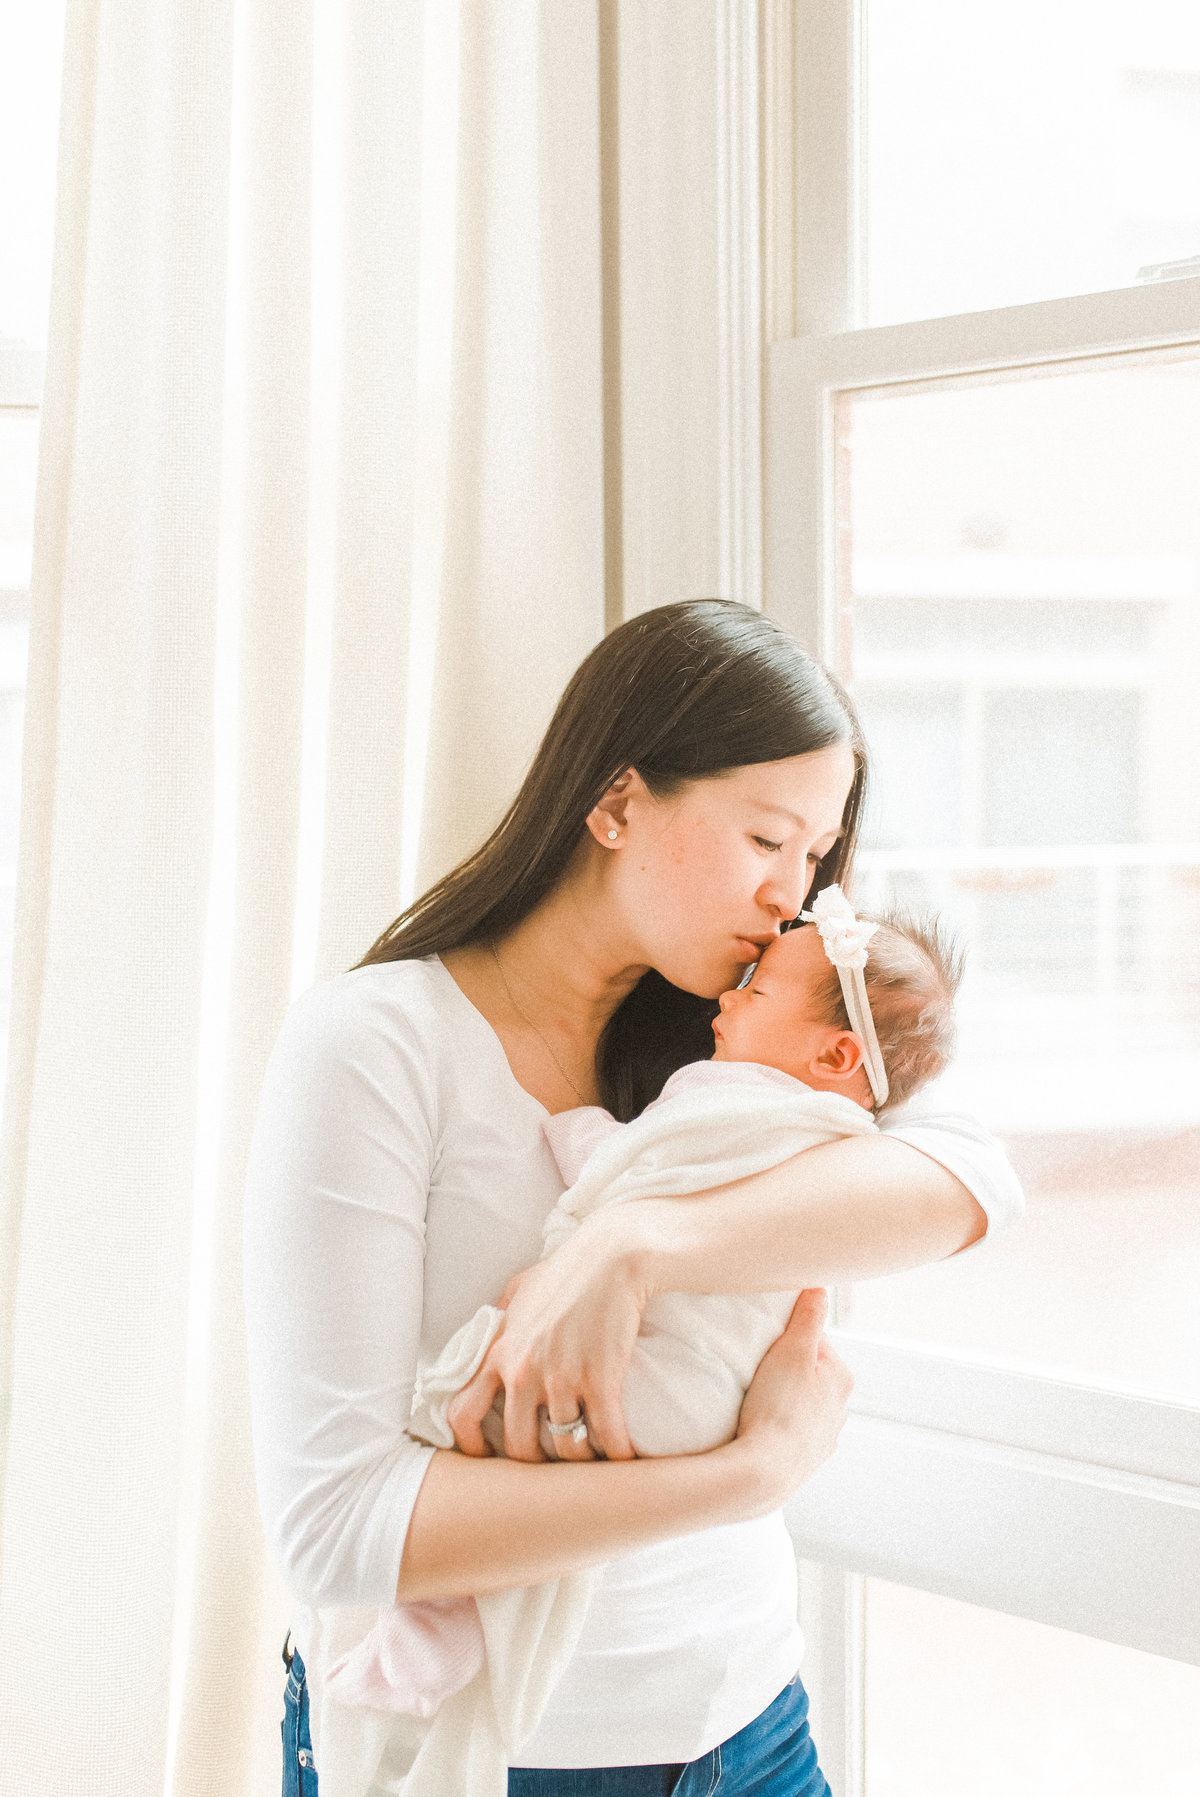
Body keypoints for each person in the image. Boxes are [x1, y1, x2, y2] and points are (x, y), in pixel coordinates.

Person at [243, 600, 1024, 1797]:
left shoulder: (746, 1056)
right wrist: (745, 1479)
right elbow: (339, 1531)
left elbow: (972, 1179)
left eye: (815, 857)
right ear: (615, 805)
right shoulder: (377, 1048)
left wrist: (634, 1244)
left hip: (749, 1721)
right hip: (499, 1758)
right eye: (768, 839)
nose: (793, 896)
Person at [322, 892, 963, 1754]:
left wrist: (591, 1166)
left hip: (692, 1440)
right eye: (769, 837)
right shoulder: (837, 1127)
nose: (730, 1000)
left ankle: (432, 1628)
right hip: (703, 1424)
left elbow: (654, 1165)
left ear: (840, 1050)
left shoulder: (752, 1103)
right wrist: (752, 1468)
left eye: (758, 994)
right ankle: (438, 1625)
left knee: (471, 1412)